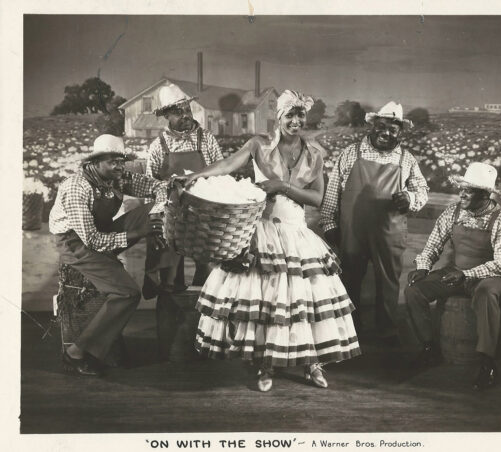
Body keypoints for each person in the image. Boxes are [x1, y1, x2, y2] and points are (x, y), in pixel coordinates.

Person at [182, 90, 361, 392]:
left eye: (300, 115)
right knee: (267, 300)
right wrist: (195, 176)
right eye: (289, 115)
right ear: (278, 117)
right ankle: (266, 365)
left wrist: (281, 185)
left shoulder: (314, 153)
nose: (295, 120)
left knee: (302, 301)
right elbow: (226, 165)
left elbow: (317, 198)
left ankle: (311, 363)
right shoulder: (258, 145)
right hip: (262, 229)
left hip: (295, 232)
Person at [49, 134, 168, 376]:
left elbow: (157, 186)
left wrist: (159, 208)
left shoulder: (117, 177)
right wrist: (137, 234)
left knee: (151, 213)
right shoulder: (76, 187)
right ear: (95, 162)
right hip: (74, 242)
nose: (119, 166)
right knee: (127, 292)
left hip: (99, 232)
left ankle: (156, 275)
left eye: (121, 161)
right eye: (112, 161)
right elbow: (91, 240)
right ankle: (76, 352)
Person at [319, 102, 429, 342]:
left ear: (400, 132)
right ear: (372, 126)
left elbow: (422, 191)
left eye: (393, 129)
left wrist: (409, 199)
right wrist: (329, 223)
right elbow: (333, 191)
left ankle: (386, 332)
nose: (386, 133)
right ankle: (348, 332)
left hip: (389, 230)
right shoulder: (351, 153)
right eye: (382, 126)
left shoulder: (406, 159)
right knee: (349, 279)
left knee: (388, 282)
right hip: (353, 230)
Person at [405, 162, 501, 390]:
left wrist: (466, 274)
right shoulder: (454, 211)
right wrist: (423, 266)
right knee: (414, 291)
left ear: (485, 194)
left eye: (469, 190)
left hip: (487, 276)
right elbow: (434, 243)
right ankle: (429, 349)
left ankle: (487, 363)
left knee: (486, 296)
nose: (462, 193)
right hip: (455, 272)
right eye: (462, 188)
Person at [144, 84, 224, 359]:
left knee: (212, 277)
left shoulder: (207, 140)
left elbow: (222, 174)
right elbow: (150, 184)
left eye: (186, 109)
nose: (185, 115)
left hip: (204, 217)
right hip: (171, 218)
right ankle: (167, 347)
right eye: (177, 112)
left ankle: (209, 343)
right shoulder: (158, 146)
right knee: (168, 280)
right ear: (166, 116)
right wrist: (168, 190)